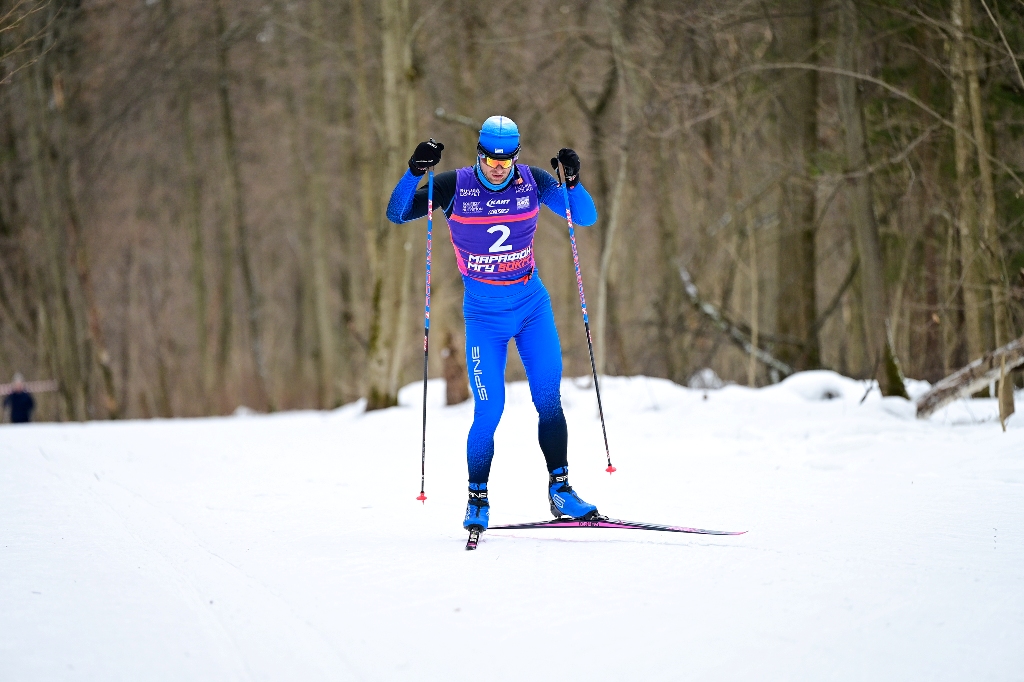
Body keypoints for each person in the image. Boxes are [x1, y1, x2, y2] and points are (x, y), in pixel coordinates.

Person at [387, 115, 601, 532]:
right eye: (491, 158)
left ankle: (562, 491)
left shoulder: (533, 181)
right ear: (479, 153)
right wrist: (413, 172)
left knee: (549, 399)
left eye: (507, 159)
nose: (499, 167)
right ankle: (477, 499)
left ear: (517, 156)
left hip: (532, 307)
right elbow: (398, 214)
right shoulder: (453, 186)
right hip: (484, 316)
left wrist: (573, 182)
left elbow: (585, 217)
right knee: (489, 409)